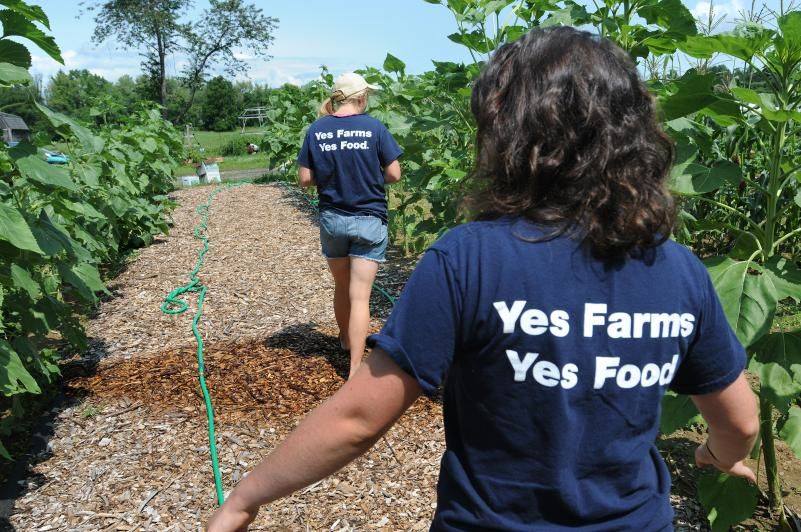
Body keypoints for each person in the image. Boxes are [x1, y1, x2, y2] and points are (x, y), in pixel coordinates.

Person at [207, 27, 759, 531]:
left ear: (505, 132)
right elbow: (739, 419)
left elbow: (357, 418)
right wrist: (720, 453)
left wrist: (245, 497)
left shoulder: (469, 260)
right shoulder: (678, 269)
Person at [296, 72, 403, 379]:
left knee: (342, 286)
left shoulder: (317, 129)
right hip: (370, 221)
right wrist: (369, 176)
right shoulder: (374, 127)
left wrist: (332, 178)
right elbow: (394, 174)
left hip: (333, 221)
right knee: (360, 296)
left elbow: (305, 180)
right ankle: (355, 367)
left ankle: (344, 339)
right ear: (360, 98)